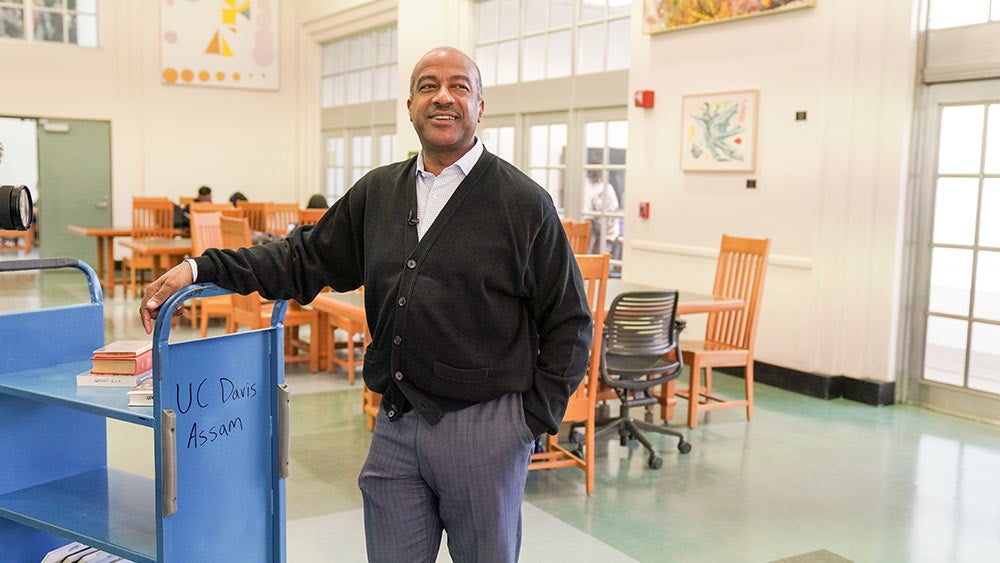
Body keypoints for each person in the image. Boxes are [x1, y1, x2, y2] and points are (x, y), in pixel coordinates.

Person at [139, 47, 592, 563]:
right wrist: (202, 268)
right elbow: (302, 259)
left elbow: (571, 322)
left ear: (480, 107)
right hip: (396, 425)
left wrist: (528, 420)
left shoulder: (523, 203)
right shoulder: (379, 192)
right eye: (428, 85)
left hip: (484, 429)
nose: (443, 96)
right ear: (410, 105)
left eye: (459, 86)